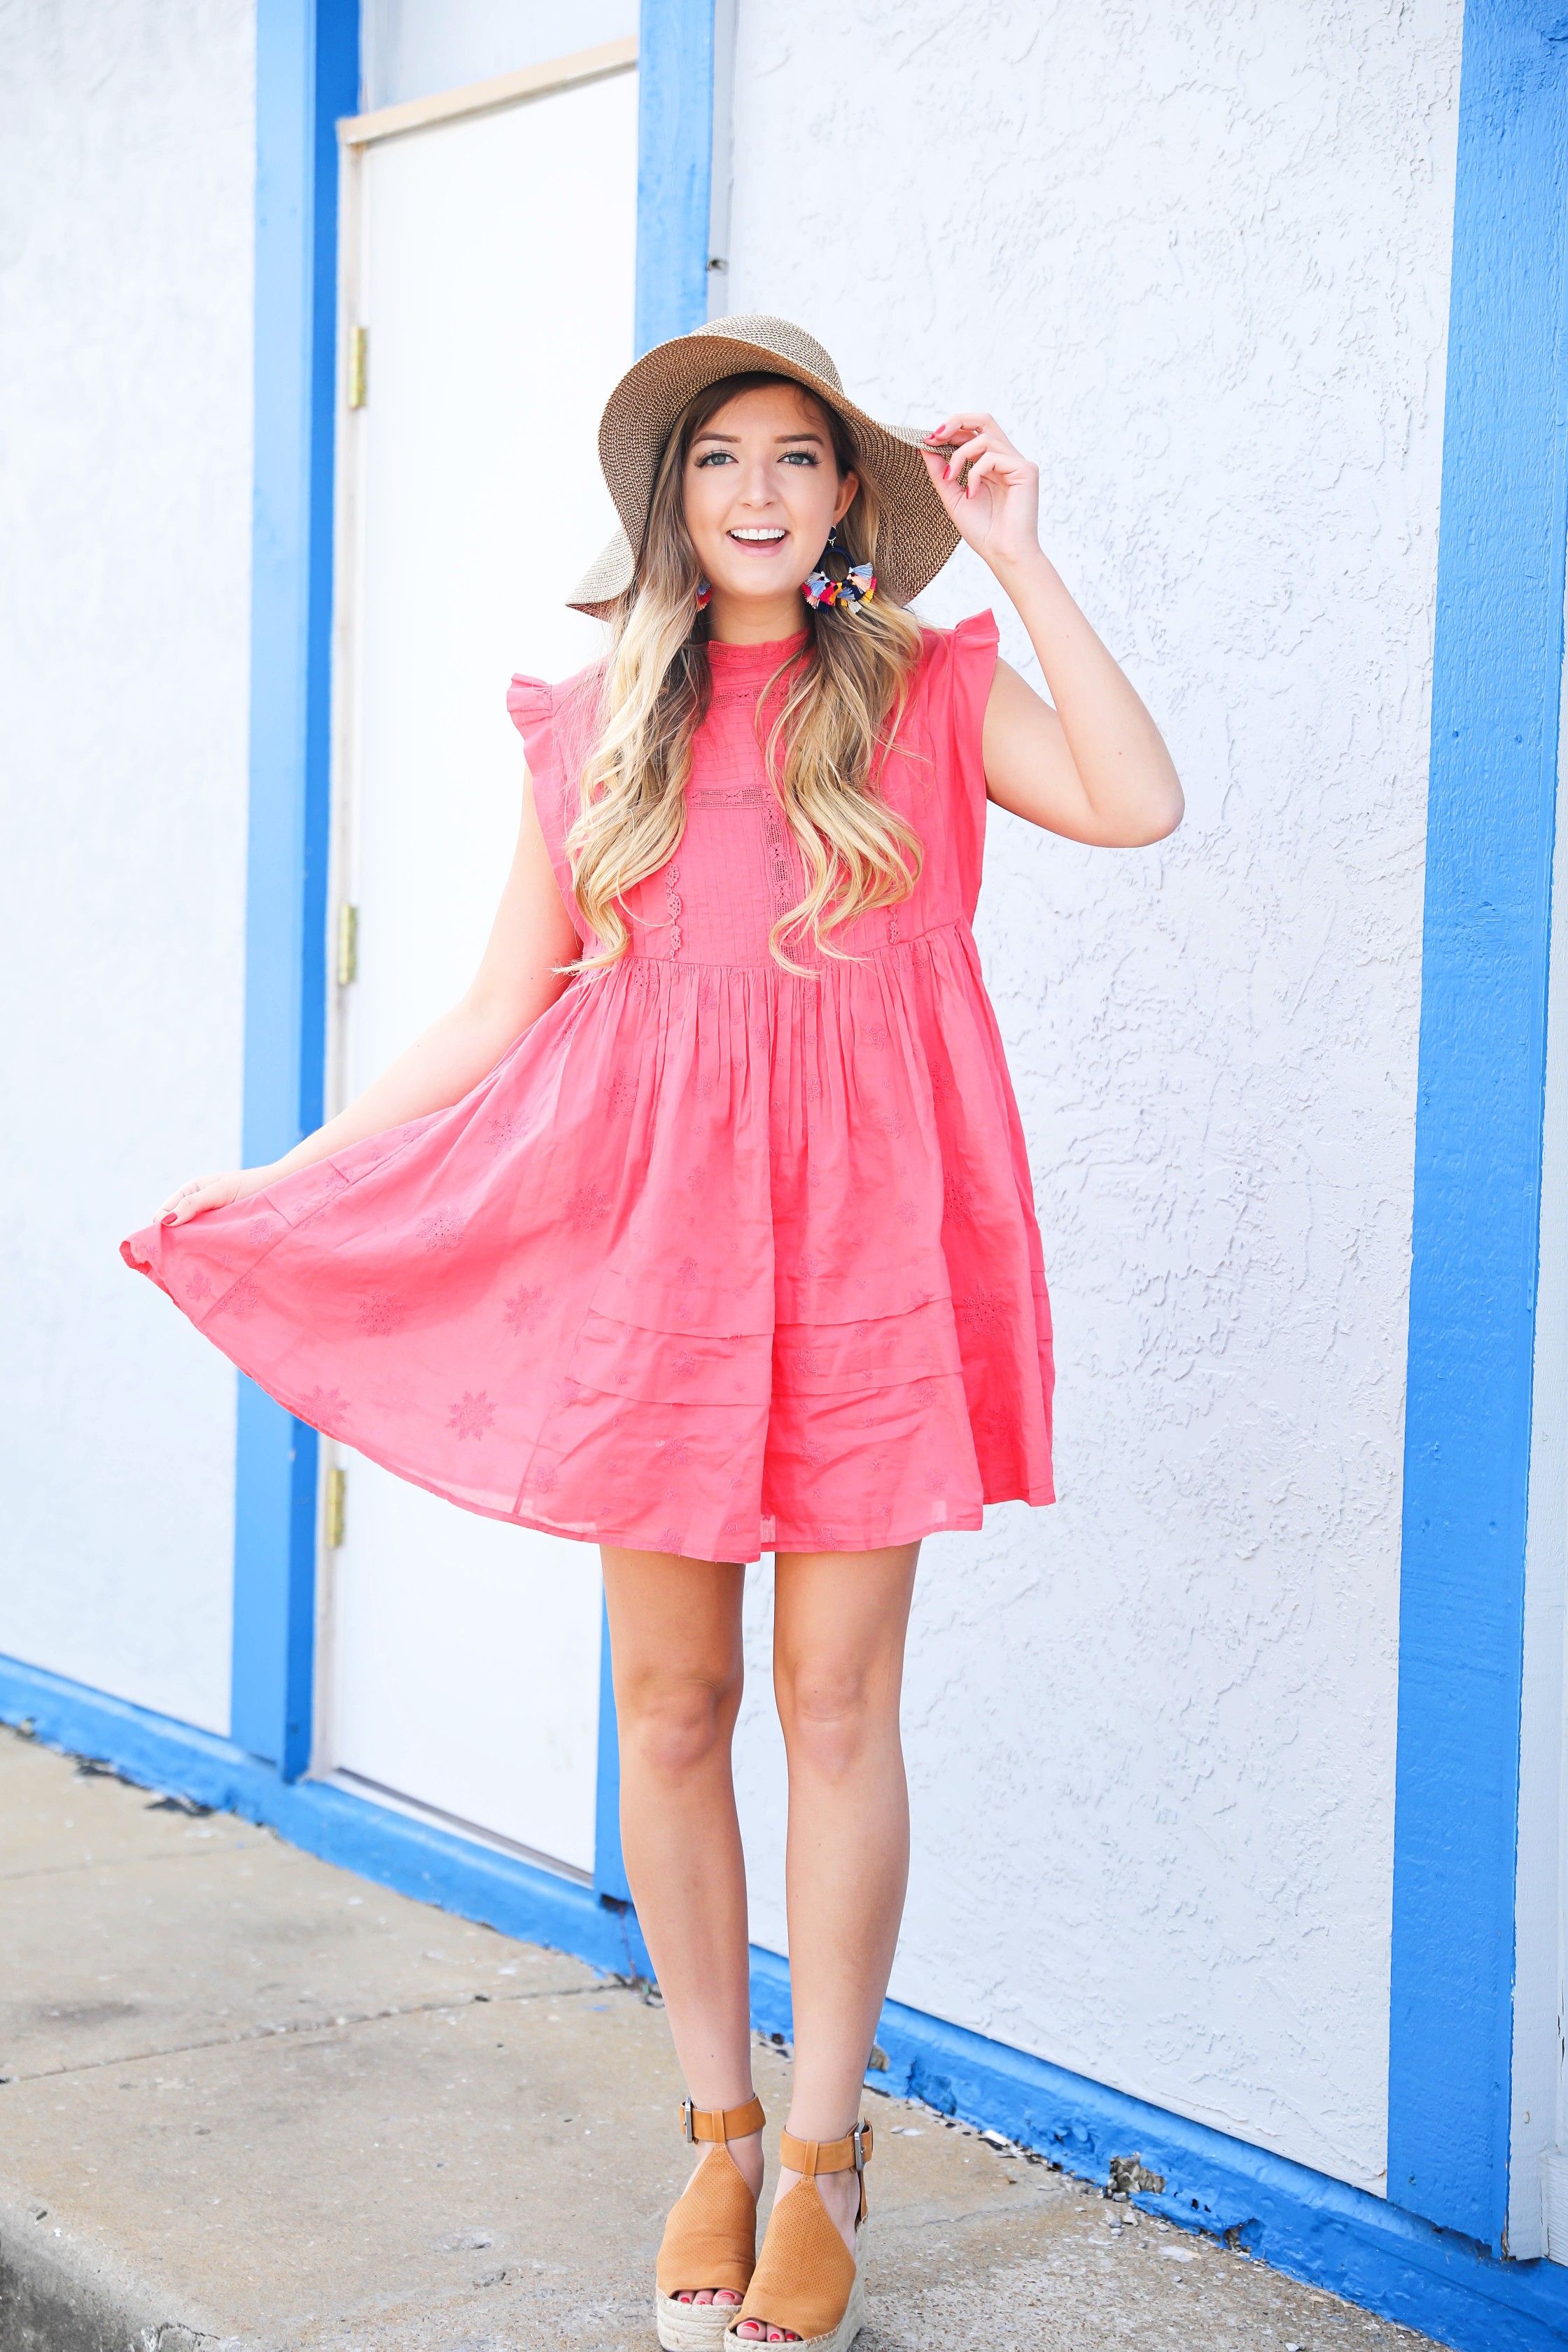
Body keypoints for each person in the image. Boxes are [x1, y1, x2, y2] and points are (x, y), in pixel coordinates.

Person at [125, 316, 1182, 2352]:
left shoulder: (933, 692)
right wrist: (283, 1177)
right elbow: (493, 1008)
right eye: (722, 462)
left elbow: (1137, 801)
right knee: (676, 1707)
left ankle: (819, 2147)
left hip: (875, 1246)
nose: (763, 494)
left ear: (850, 499)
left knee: (840, 1707)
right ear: (672, 501)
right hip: (658, 1263)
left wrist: (1025, 555)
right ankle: (711, 2122)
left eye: (800, 459)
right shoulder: (596, 723)